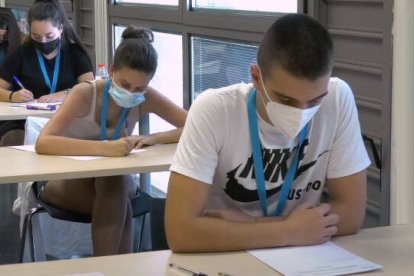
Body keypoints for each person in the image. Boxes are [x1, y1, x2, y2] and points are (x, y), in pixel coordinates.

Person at [165, 13, 371, 253]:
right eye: (286, 100)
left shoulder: (337, 97)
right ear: (256, 77)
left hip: (301, 253)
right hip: (225, 256)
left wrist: (256, 226)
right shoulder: (214, 109)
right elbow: (180, 232)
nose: (301, 112)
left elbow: (352, 213)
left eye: (315, 100)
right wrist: (289, 230)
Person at [35, 25, 187, 256]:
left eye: (140, 88)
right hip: (68, 180)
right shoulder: (84, 93)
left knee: (113, 183)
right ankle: (115, 269)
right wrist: (105, 148)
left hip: (113, 186)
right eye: (125, 85)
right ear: (112, 70)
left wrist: (153, 137)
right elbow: (44, 142)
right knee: (117, 197)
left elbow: (194, 126)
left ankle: (105, 270)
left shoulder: (145, 98)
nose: (131, 93)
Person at [0, 0, 94, 146]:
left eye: (49, 36)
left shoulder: (74, 53)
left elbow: (90, 87)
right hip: (26, 121)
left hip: (68, 120)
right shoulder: (21, 54)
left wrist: (66, 94)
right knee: (12, 138)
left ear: (61, 29)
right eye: (36, 37)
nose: (43, 41)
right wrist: (13, 96)